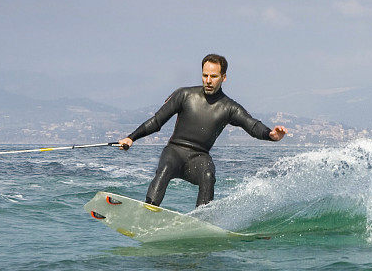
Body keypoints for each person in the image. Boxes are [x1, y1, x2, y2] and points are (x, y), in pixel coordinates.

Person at [118, 54, 287, 207]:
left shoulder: (229, 107)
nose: (208, 80)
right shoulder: (184, 95)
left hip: (199, 157)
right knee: (166, 167)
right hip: (174, 151)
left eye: (213, 76)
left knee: (208, 175)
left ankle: (201, 219)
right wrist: (131, 138)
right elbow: (156, 121)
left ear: (224, 77)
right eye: (205, 75)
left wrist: (270, 135)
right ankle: (149, 208)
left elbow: (252, 125)